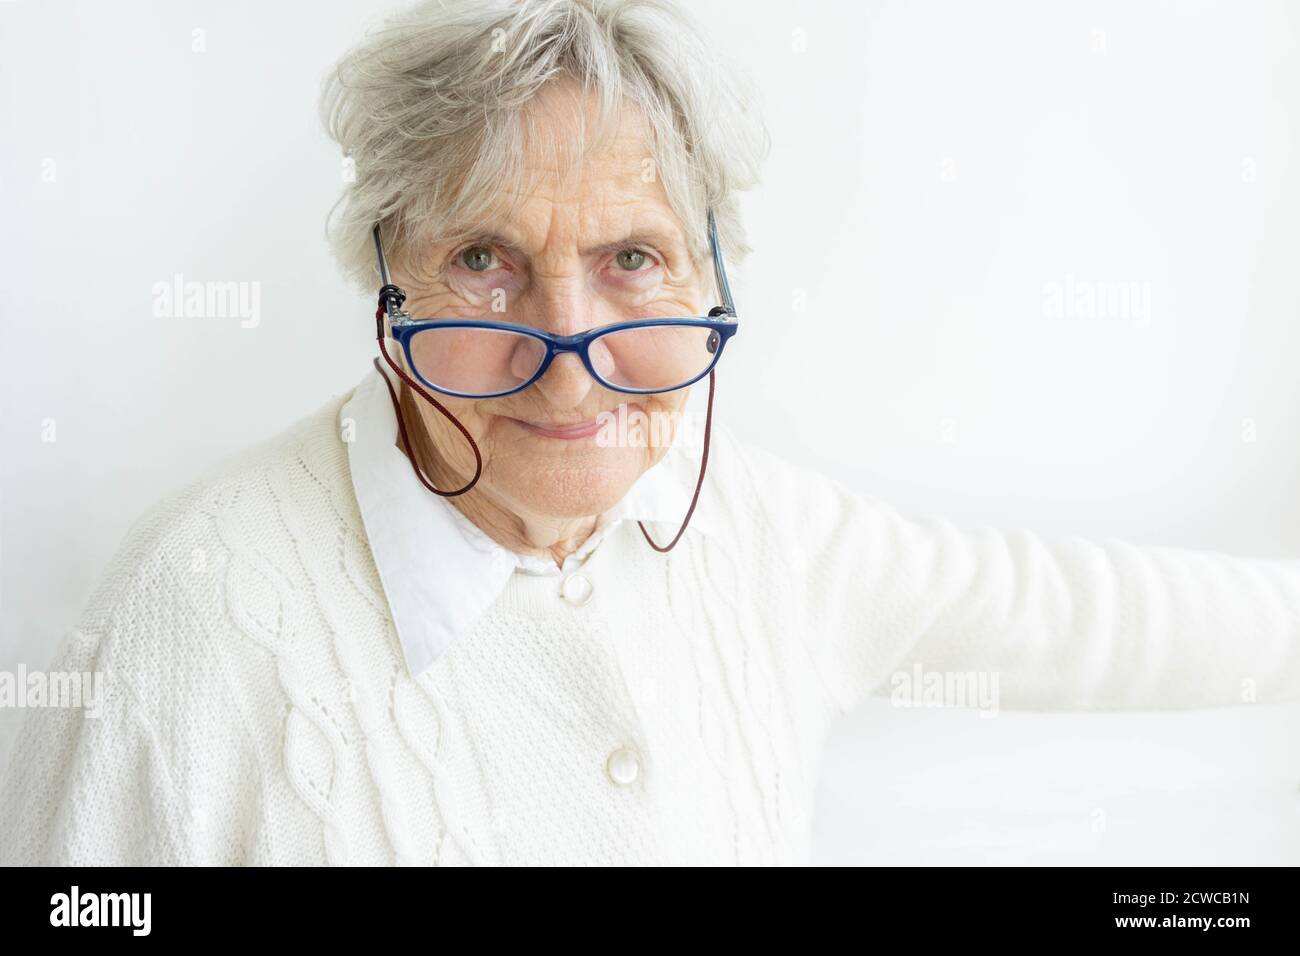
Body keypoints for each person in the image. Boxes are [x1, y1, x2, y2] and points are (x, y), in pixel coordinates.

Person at [2, 0, 1297, 866]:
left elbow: (1086, 618)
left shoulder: (762, 532)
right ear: (380, 277)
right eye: (484, 260)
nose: (572, 373)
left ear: (710, 276)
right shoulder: (186, 620)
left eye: (633, 255)